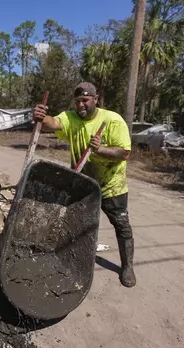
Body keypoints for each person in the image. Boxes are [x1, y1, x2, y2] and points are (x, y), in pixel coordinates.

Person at [33, 82, 136, 287]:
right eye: (78, 101)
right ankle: (73, 261)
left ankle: (127, 267)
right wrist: (41, 117)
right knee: (78, 224)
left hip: (111, 187)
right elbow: (52, 123)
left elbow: (124, 153)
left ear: (95, 99)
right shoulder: (71, 118)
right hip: (83, 185)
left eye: (85, 100)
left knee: (122, 226)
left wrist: (102, 150)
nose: (81, 105)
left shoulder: (112, 120)